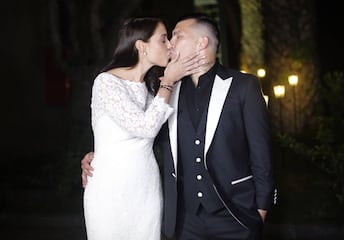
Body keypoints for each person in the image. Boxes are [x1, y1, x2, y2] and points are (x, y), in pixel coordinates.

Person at [82, 13, 275, 240]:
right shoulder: (165, 92)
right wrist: (99, 154)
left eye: (176, 36)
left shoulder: (243, 86)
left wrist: (262, 209)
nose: (170, 44)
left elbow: (261, 152)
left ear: (201, 42)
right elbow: (142, 131)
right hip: (184, 220)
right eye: (165, 38)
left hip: (235, 215)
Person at [82, 17, 206, 240]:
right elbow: (146, 127)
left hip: (145, 187)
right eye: (163, 39)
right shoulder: (106, 82)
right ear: (141, 46)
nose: (169, 45)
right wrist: (169, 79)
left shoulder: (152, 88)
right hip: (109, 188)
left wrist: (169, 80)